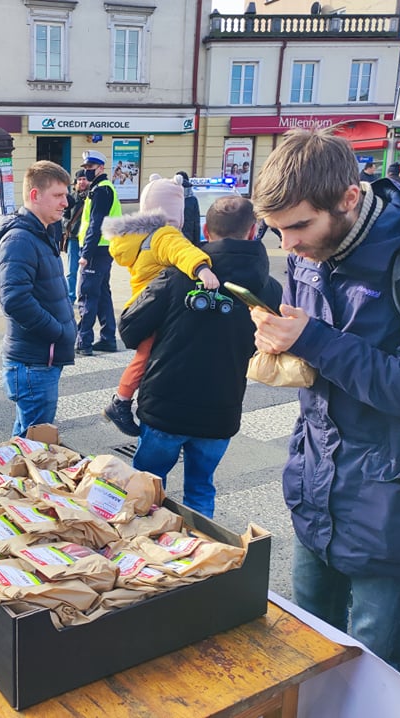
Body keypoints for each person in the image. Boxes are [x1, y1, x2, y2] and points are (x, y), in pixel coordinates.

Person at [249, 128, 400, 686]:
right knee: (309, 644)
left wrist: (312, 339)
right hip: (319, 483)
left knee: (375, 665)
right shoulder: (309, 249)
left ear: (349, 197)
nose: (288, 246)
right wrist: (282, 344)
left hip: (398, 500)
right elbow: (317, 355)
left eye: (298, 227)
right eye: (276, 231)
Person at [118, 196, 281, 517]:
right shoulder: (271, 289)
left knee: (146, 488)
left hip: (164, 408)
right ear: (252, 232)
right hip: (221, 412)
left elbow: (129, 329)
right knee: (201, 488)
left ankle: (146, 552)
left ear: (206, 228)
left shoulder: (176, 276)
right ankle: (199, 553)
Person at [101, 174, 220, 436]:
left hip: (141, 306)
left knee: (149, 357)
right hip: (157, 311)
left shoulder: (140, 237)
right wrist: (202, 269)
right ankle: (120, 402)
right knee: (146, 358)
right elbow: (183, 252)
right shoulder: (164, 234)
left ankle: (129, 399)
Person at [0, 161, 77, 437]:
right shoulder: (20, 239)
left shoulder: (41, 232)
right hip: (34, 362)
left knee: (25, 443)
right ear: (35, 195)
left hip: (41, 359)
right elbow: (15, 299)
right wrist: (58, 331)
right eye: (58, 195)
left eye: (66, 195)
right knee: (34, 446)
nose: (66, 202)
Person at [75, 150, 120, 356]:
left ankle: (83, 342)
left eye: (90, 168)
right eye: (86, 168)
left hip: (95, 250)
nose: (88, 171)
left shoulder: (101, 190)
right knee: (102, 294)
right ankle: (108, 338)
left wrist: (85, 253)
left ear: (101, 168)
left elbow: (95, 224)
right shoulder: (104, 188)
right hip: (104, 249)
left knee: (87, 294)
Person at [61, 169, 89, 303]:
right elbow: (63, 215)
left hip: (89, 240)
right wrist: (68, 225)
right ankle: (70, 297)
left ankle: (86, 297)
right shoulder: (71, 198)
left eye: (84, 179)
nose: (82, 182)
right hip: (74, 238)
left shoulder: (93, 197)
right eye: (80, 180)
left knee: (88, 271)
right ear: (76, 182)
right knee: (72, 271)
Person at [176, 171, 201, 244]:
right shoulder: (193, 200)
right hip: (188, 238)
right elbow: (196, 223)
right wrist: (197, 243)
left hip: (175, 237)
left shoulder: (173, 198)